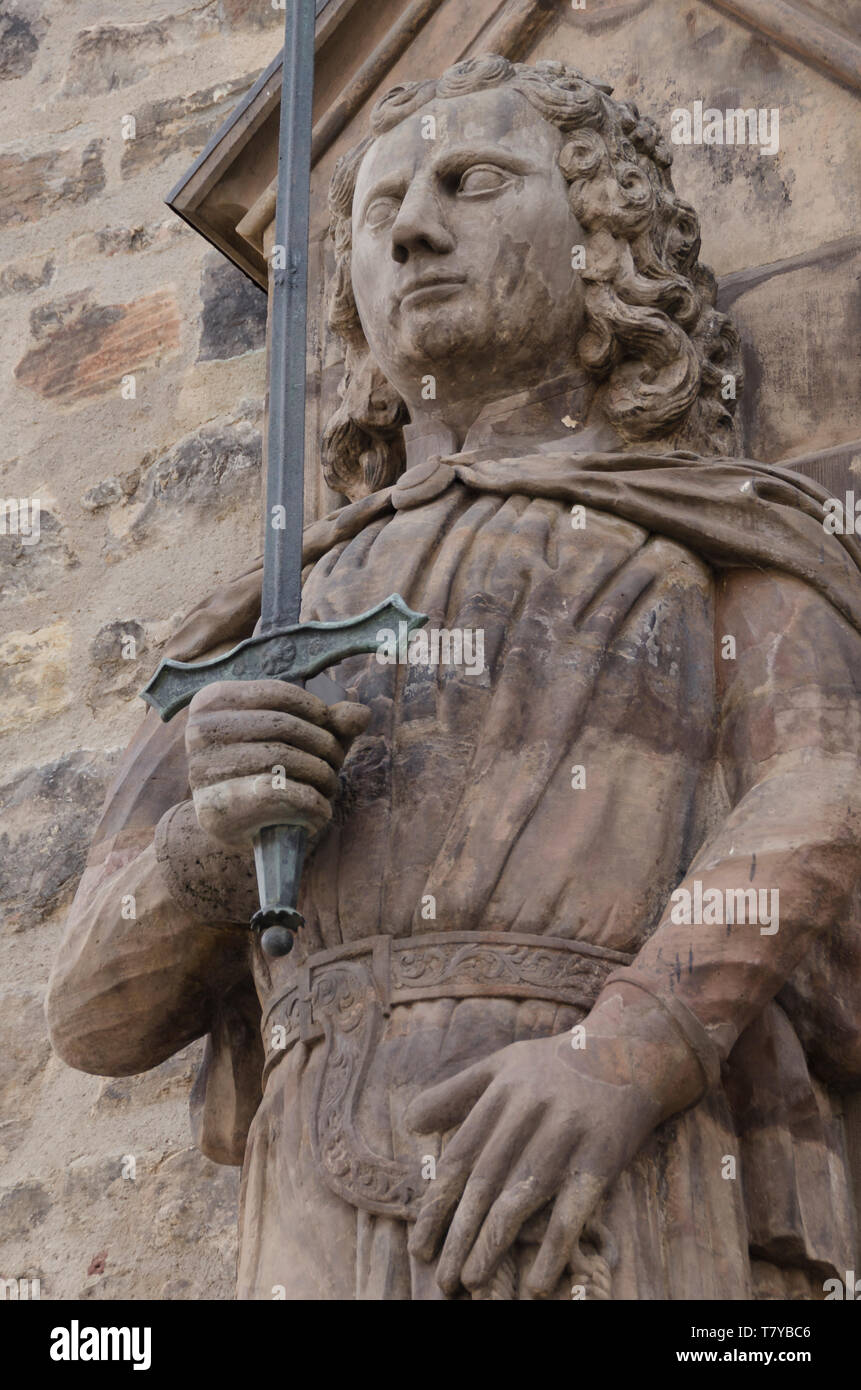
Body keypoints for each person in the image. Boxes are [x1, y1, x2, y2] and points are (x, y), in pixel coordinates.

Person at [47, 56, 861, 1300]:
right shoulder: (277, 605)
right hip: (314, 1193)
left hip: (605, 1157)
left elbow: (819, 799)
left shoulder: (712, 531)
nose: (416, 225)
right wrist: (206, 852)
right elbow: (92, 1014)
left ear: (605, 238)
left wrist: (626, 1053)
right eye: (378, 210)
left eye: (473, 181)